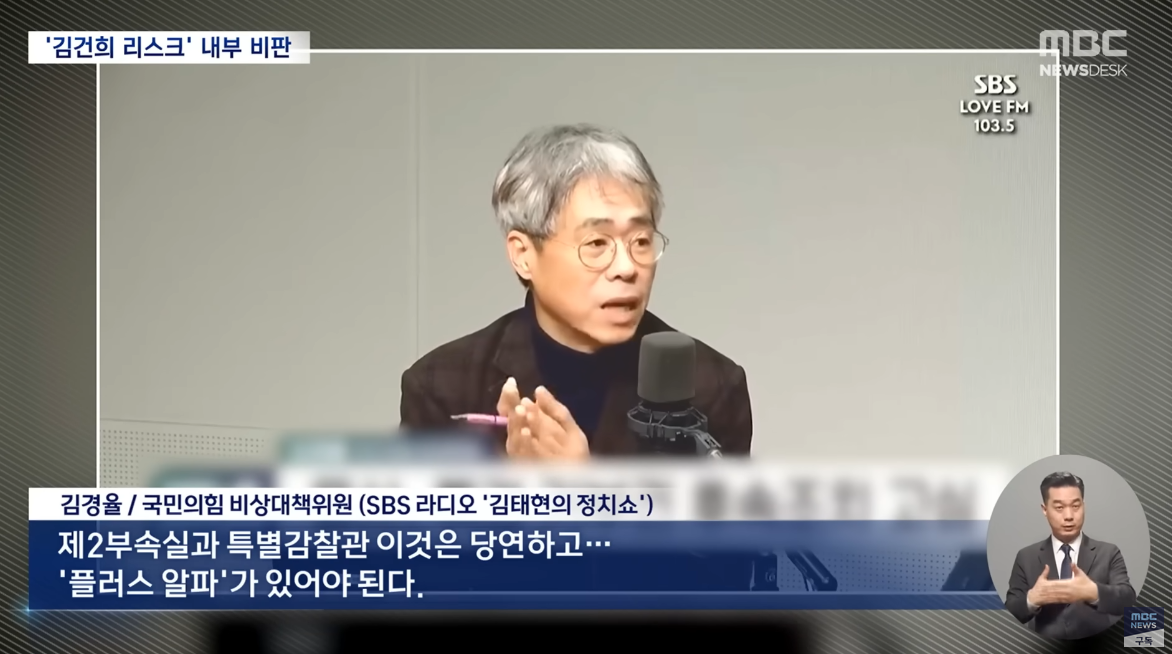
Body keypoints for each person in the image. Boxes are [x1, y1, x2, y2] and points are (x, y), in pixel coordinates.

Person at [399, 124, 753, 459]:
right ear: (523, 255)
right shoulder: (443, 387)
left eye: (641, 241)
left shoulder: (711, 387)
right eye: (597, 242)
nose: (627, 267)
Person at [1003, 472, 1137, 640]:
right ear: (1045, 510)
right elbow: (1010, 611)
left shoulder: (1109, 552)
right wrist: (1032, 599)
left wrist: (1093, 592)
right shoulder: (1026, 557)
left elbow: (1127, 599)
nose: (1069, 516)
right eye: (1059, 508)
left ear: (1083, 506)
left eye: (1075, 506)